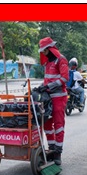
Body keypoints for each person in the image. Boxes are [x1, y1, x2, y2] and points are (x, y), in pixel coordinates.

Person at [36, 37, 69, 166]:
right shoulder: (48, 62)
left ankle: (58, 153)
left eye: (44, 50)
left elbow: (65, 78)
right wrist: (41, 87)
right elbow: (47, 79)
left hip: (59, 97)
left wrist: (48, 87)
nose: (43, 53)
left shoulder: (61, 60)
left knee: (58, 125)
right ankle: (51, 149)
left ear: (49, 49)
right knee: (47, 124)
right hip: (48, 98)